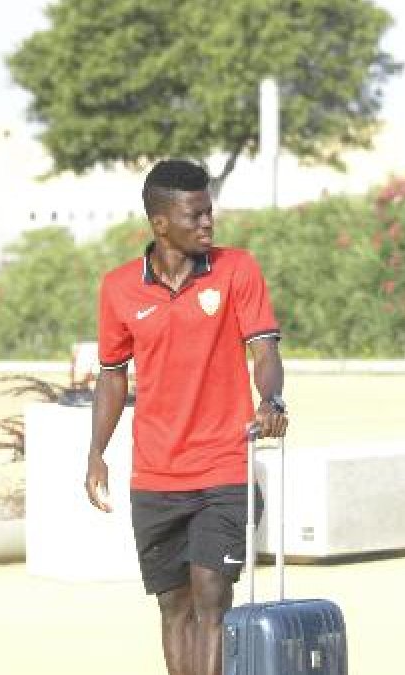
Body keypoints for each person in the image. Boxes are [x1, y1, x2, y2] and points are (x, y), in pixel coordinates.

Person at [85, 159, 288, 675]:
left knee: (211, 597)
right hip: (155, 474)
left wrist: (272, 401)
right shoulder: (118, 289)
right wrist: (96, 454)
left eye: (209, 212)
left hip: (223, 466)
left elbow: (263, 350)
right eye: (195, 215)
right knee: (173, 607)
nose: (207, 224)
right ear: (160, 224)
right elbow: (112, 375)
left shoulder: (237, 269)